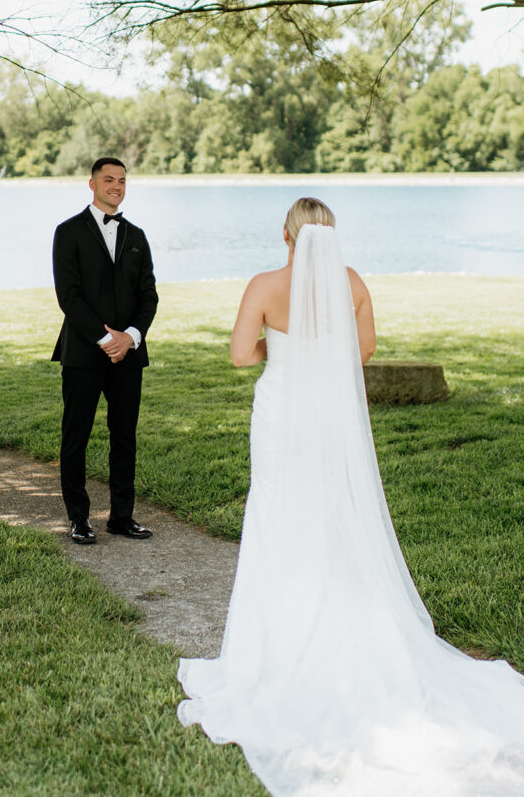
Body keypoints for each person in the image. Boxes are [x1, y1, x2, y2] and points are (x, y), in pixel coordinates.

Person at [177, 197, 524, 797]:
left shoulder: (264, 283)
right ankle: (344, 621)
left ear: (286, 236)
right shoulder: (353, 283)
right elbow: (359, 353)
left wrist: (275, 349)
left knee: (278, 517)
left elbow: (239, 354)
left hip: (283, 410)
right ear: (329, 236)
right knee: (335, 514)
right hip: (331, 414)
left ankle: (279, 639)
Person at [51, 157, 158, 544]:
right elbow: (70, 296)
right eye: (109, 179)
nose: (117, 185)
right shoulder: (68, 232)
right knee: (75, 436)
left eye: (122, 180)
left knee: (124, 436)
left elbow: (149, 296)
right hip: (83, 352)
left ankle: (121, 517)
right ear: (92, 184)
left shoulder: (137, 236)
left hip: (129, 354)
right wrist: (104, 338)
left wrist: (129, 336)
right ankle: (79, 519)